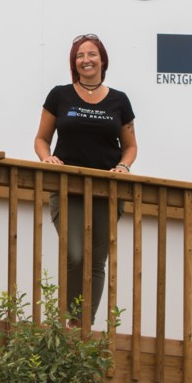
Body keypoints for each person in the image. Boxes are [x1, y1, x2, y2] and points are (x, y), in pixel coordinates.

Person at [34, 33, 137, 324]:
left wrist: (124, 167)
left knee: (96, 262)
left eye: (91, 54)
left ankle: (83, 327)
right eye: (80, 55)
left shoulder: (119, 100)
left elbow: (130, 146)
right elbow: (42, 139)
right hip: (67, 188)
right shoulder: (60, 95)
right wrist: (47, 158)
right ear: (74, 63)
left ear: (102, 60)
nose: (86, 60)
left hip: (107, 190)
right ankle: (70, 322)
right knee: (76, 255)